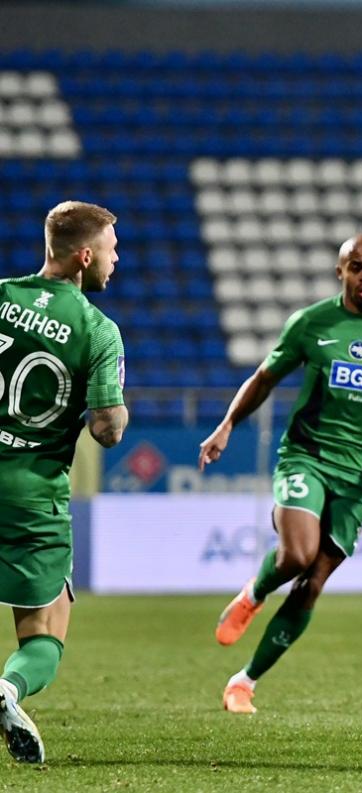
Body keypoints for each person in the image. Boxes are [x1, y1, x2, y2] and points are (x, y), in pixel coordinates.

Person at [198, 234, 362, 713]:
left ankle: (244, 683)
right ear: (341, 272)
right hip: (306, 456)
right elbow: (264, 379)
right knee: (297, 554)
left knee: (312, 583)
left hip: (361, 477)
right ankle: (254, 593)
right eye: (356, 266)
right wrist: (227, 424)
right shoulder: (311, 324)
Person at [0, 201, 128, 763]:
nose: (116, 260)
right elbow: (106, 430)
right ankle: (8, 689)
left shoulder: (2, 295)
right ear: (85, 257)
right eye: (111, 249)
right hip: (32, 496)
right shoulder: (97, 330)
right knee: (45, 635)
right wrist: (118, 410)